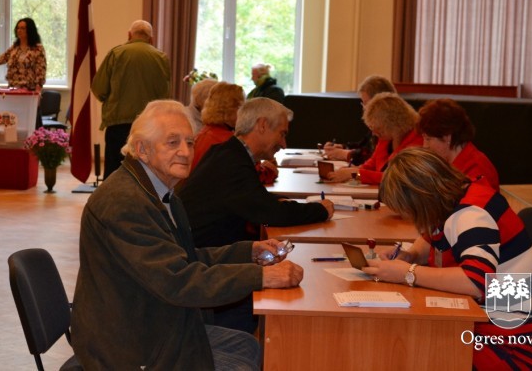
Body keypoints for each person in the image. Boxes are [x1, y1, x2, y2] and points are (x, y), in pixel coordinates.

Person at [70, 100, 303, 370]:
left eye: (190, 142)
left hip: (152, 320)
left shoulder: (159, 191)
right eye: (172, 143)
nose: (185, 152)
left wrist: (247, 252)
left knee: (248, 345)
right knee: (245, 360)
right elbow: (178, 281)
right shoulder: (126, 203)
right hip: (130, 345)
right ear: (142, 149)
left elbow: (184, 258)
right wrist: (261, 276)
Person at [364, 148, 532, 369]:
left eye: (408, 211)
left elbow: (474, 282)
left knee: (410, 348)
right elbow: (433, 238)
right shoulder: (456, 198)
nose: (409, 219)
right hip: (488, 325)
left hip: (513, 345)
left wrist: (408, 273)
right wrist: (411, 255)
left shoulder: (472, 214)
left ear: (421, 200)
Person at [178, 97, 334, 333]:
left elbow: (258, 201)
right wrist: (321, 209)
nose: (283, 144)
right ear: (262, 125)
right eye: (282, 134)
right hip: (206, 269)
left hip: (208, 256)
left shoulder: (228, 153)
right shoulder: (232, 163)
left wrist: (280, 203)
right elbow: (272, 213)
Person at [91, 20, 171, 180]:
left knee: (114, 172)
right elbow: (164, 95)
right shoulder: (161, 57)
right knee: (145, 173)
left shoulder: (116, 54)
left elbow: (99, 88)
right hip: (149, 126)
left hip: (118, 123)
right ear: (151, 39)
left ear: (129, 35)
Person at [191, 82, 278, 183]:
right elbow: (253, 175)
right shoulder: (227, 142)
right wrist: (270, 168)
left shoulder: (204, 133)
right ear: (232, 109)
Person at [327, 92, 422, 184]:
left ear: (393, 124)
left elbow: (396, 178)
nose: (373, 133)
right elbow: (372, 163)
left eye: (379, 129)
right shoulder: (386, 137)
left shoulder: (416, 143)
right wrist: (351, 171)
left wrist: (356, 174)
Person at [417, 98, 500, 190]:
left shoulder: (477, 170)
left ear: (447, 137)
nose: (425, 146)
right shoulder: (449, 163)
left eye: (428, 139)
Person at [323, 75, 396, 164]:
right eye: (363, 104)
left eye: (366, 103)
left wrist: (345, 154)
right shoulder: (379, 123)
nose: (364, 109)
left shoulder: (391, 127)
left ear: (379, 102)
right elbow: (363, 145)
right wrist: (343, 147)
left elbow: (373, 158)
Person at [0, 17, 47, 93]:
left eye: (22, 28)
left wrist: (38, 90)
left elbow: (41, 71)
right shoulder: (14, 48)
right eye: (18, 28)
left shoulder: (38, 48)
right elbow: (1, 59)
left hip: (29, 90)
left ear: (30, 30)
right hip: (12, 88)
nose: (19, 30)